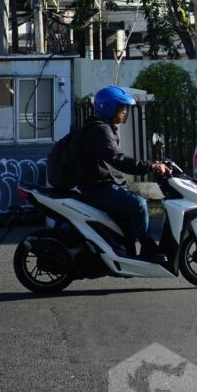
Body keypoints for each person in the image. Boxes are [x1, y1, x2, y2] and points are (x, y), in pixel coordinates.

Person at [78, 85, 171, 263]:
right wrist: (150, 166)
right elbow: (117, 159)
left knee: (130, 205)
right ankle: (148, 248)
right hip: (98, 187)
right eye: (122, 107)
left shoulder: (103, 127)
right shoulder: (100, 130)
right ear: (110, 108)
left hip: (102, 183)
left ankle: (125, 249)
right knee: (139, 204)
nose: (124, 112)